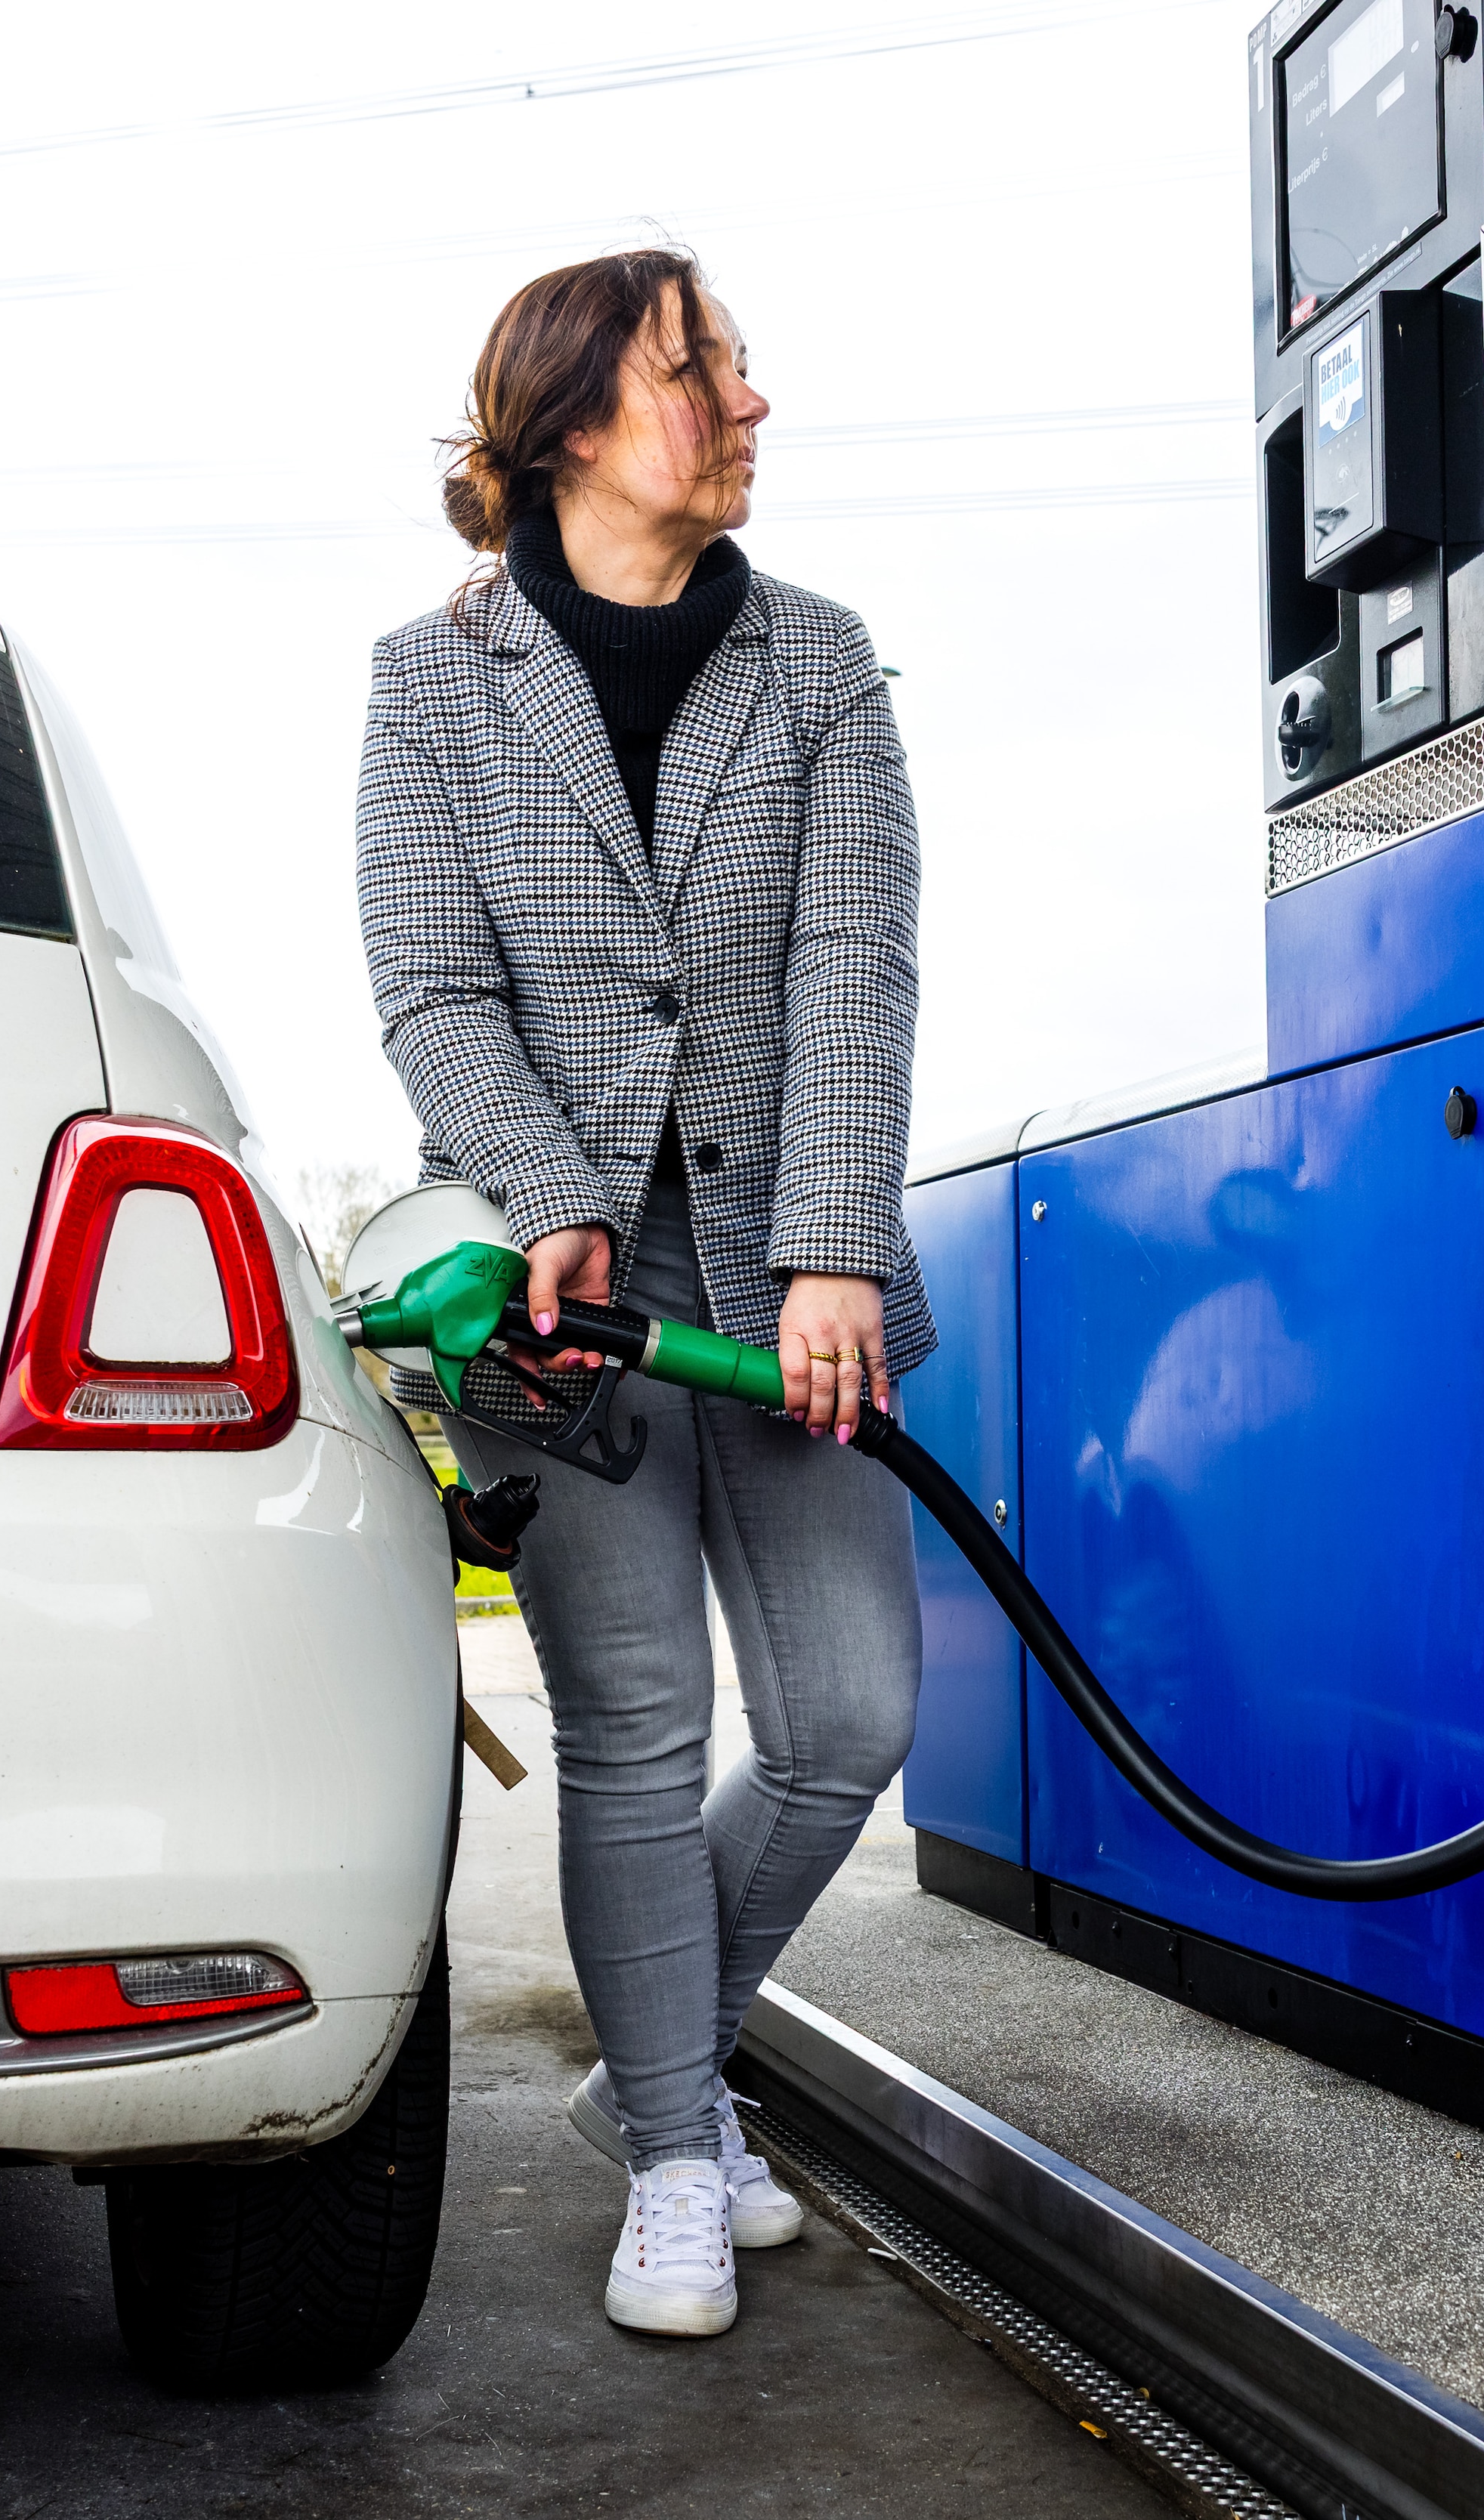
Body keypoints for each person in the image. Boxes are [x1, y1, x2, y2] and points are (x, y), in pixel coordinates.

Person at [354, 248, 929, 2339]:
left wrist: (839, 1246)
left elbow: (853, 970)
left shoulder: (823, 665)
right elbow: (431, 982)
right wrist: (551, 1191)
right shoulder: (438, 684)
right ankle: (682, 2157)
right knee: (637, 1727)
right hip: (553, 1288)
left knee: (851, 1714)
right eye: (710, 370)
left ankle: (650, 2070)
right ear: (582, 417)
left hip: (793, 1264)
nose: (752, 401)